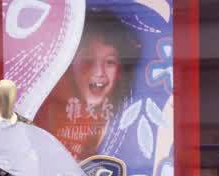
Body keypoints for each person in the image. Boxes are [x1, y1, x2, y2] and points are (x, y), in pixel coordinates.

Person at [35, 9, 141, 161]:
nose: (98, 72)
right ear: (68, 64)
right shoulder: (46, 107)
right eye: (87, 59)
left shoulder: (122, 120)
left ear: (119, 71)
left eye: (110, 62)